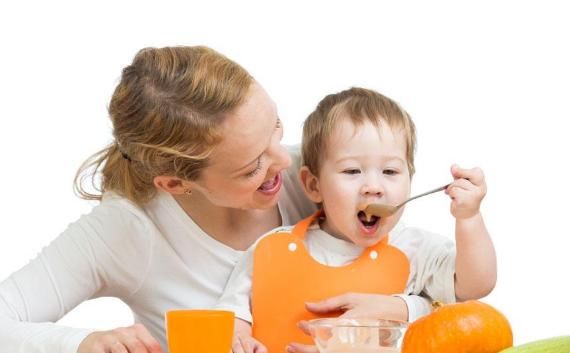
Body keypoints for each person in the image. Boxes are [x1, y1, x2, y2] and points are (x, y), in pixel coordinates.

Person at [0, 46, 320, 353]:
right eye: (253, 167)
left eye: (276, 126)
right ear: (175, 184)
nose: (286, 161)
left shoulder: (324, 178)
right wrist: (82, 344)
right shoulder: (130, 229)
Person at [218, 87, 497, 353]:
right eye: (352, 171)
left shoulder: (414, 248)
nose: (373, 186)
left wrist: (469, 218)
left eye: (390, 171)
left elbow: (474, 286)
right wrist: (239, 336)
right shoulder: (271, 248)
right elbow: (232, 316)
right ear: (313, 185)